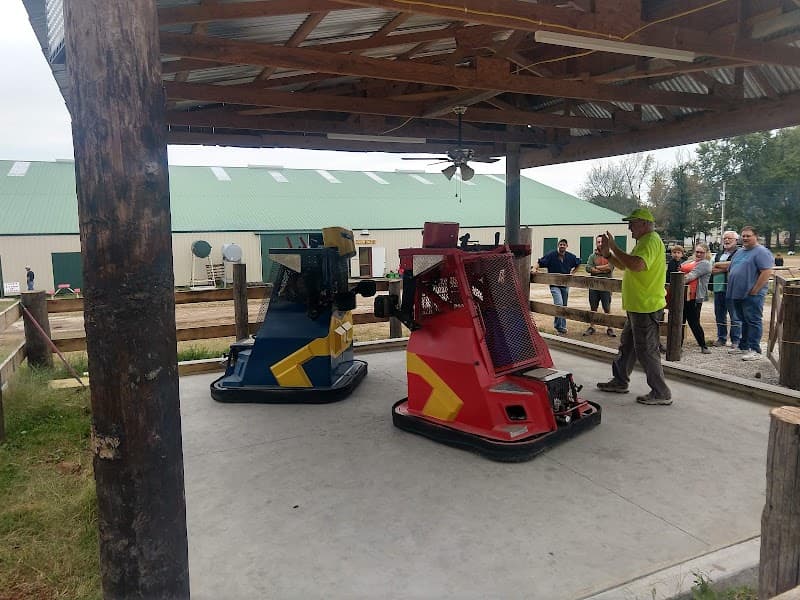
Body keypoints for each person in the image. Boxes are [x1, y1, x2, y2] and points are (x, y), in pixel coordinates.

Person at [596, 208, 672, 406]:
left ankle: (661, 392)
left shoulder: (651, 241)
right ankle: (620, 381)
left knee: (646, 350)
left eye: (632, 223)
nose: (629, 227)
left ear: (645, 224)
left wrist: (614, 246)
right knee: (628, 346)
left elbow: (637, 265)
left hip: (646, 306)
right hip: (638, 305)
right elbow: (626, 265)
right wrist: (609, 255)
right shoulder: (644, 242)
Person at [717, 225, 774, 361]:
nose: (745, 238)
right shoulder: (740, 252)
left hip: (752, 295)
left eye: (748, 235)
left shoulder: (761, 252)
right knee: (743, 321)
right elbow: (732, 266)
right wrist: (715, 265)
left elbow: (766, 272)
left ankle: (755, 349)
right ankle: (743, 346)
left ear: (756, 236)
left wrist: (755, 290)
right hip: (736, 294)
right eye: (743, 236)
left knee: (753, 320)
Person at [535, 238, 580, 334]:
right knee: (559, 304)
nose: (562, 246)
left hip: (565, 284)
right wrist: (535, 268)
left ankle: (562, 326)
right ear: (558, 246)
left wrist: (573, 272)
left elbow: (578, 262)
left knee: (564, 305)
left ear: (567, 246)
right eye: (560, 244)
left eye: (564, 244)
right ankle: (558, 326)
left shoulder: (570, 257)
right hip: (554, 284)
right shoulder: (551, 255)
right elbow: (540, 261)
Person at [710, 231, 741, 347]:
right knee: (719, 314)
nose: (727, 241)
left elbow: (737, 265)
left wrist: (719, 266)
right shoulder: (718, 254)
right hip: (718, 289)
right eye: (725, 239)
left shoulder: (740, 253)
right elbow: (711, 268)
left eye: (730, 239)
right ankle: (721, 338)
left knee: (735, 316)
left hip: (733, 289)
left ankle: (736, 340)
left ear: (736, 241)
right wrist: (725, 267)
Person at [680, 243, 712, 354]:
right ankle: (677, 345)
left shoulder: (705, 264)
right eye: (697, 251)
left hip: (694, 297)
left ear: (706, 253)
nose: (698, 254)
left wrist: (678, 278)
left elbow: (691, 276)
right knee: (679, 321)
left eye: (701, 252)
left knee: (694, 322)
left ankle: (703, 345)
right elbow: (679, 267)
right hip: (681, 295)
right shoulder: (690, 261)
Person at [584, 234, 616, 337]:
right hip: (593, 285)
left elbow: (610, 267)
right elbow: (588, 268)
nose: (600, 244)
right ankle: (592, 327)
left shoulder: (610, 255)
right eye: (598, 242)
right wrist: (602, 268)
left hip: (606, 286)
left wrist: (596, 268)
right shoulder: (592, 256)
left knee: (607, 307)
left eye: (602, 242)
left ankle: (610, 327)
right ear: (596, 243)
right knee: (593, 307)